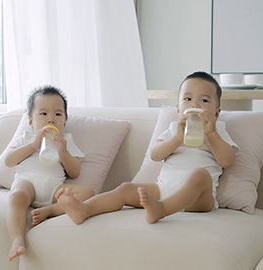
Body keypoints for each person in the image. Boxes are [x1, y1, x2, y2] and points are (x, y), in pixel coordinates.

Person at [57, 71, 238, 225]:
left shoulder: (218, 129)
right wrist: (176, 138)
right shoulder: (175, 129)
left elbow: (227, 160)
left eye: (204, 100)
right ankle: (84, 210)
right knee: (126, 189)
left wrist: (212, 133)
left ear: (216, 112)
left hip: (198, 199)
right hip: (163, 190)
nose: (195, 105)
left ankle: (162, 209)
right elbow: (156, 155)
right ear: (178, 109)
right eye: (188, 99)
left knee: (201, 175)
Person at [5, 85, 95, 261]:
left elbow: (75, 172)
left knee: (88, 193)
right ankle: (16, 238)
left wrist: (63, 152)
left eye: (58, 114)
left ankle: (50, 210)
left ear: (65, 121)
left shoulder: (65, 140)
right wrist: (33, 145)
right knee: (17, 196)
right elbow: (9, 161)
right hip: (27, 182)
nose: (51, 119)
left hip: (54, 188)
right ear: (31, 121)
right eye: (43, 114)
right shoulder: (26, 138)